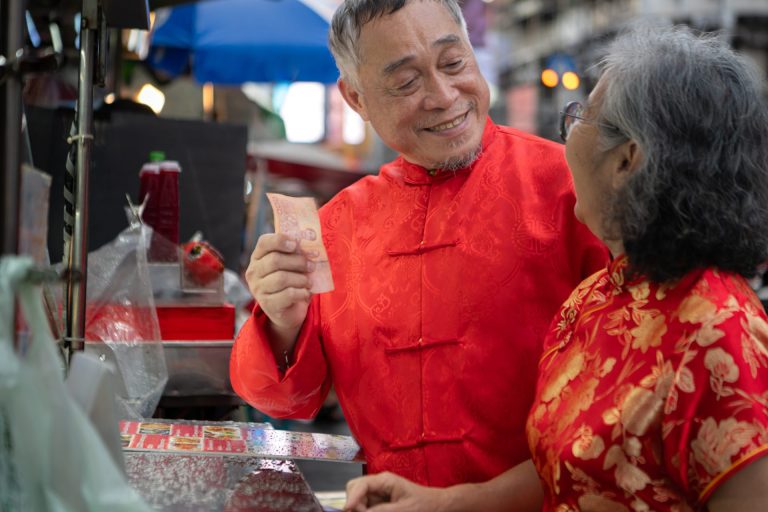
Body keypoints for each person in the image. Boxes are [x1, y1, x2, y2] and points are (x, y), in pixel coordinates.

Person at [343, 25, 768, 511]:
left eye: (582, 116)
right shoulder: (597, 299)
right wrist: (444, 503)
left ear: (627, 160)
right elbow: (565, 468)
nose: (566, 135)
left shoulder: (720, 330)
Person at [230, 0, 607, 487]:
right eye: (407, 82)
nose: (444, 95)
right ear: (356, 100)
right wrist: (282, 319)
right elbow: (282, 400)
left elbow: (632, 395)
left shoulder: (572, 187)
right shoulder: (337, 227)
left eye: (454, 64)